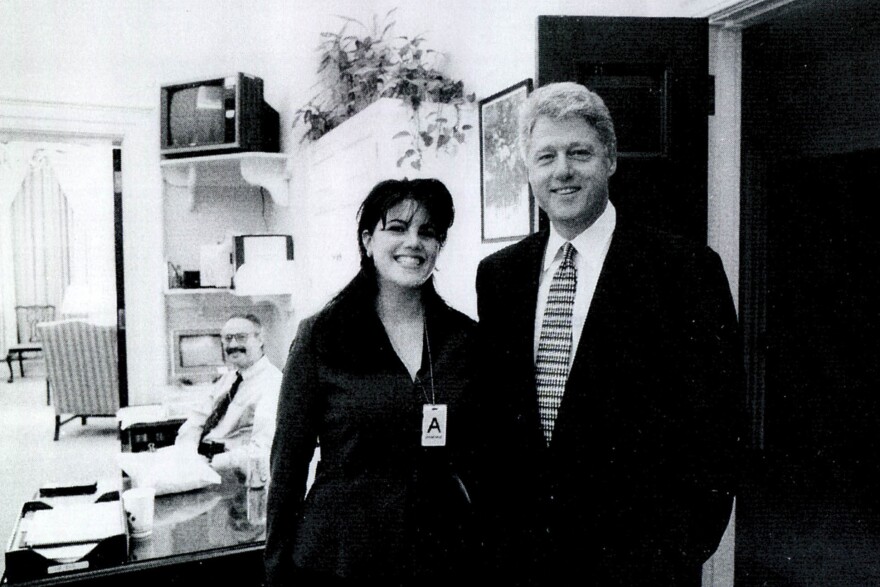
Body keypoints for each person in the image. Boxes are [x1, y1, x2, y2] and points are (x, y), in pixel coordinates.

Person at [473, 82, 744, 585]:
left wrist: (678, 547)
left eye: (580, 153)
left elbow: (720, 426)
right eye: (546, 156)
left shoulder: (685, 271)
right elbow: (497, 422)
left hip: (639, 563)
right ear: (528, 168)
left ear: (611, 159)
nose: (563, 171)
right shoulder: (499, 276)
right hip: (524, 561)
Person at [265, 178, 478, 586]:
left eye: (428, 232)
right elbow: (288, 467)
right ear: (367, 240)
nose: (413, 242)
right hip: (341, 560)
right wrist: (276, 570)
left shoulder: (464, 339)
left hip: (442, 559)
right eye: (397, 228)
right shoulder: (322, 336)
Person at [174, 314, 282, 476]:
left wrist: (211, 463)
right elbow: (196, 421)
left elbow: (262, 450)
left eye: (241, 338)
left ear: (260, 340)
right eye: (227, 338)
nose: (233, 344)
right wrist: (188, 455)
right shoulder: (228, 379)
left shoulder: (272, 384)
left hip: (231, 472)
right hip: (199, 464)